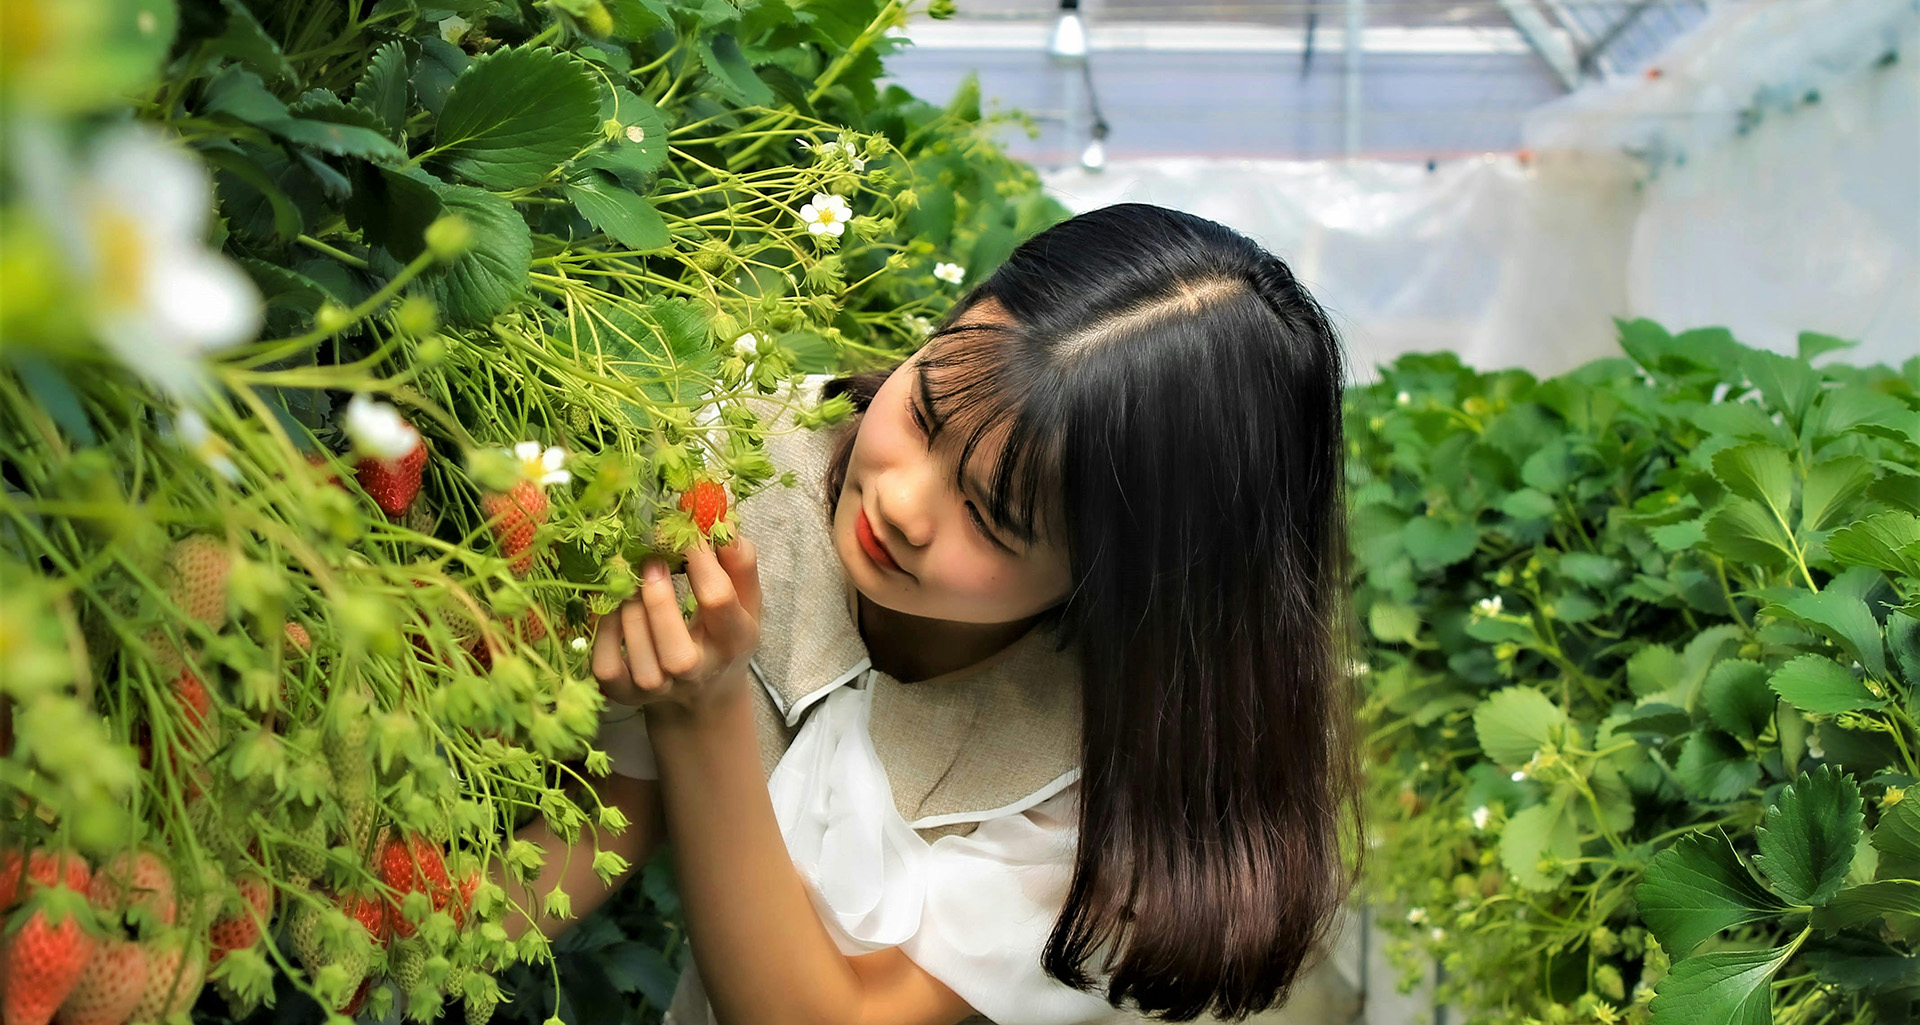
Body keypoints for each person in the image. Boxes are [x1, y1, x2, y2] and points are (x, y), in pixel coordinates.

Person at [559, 203, 1365, 1024]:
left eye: (992, 516)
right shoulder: (758, 455)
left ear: (1128, 588)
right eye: (924, 409)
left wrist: (704, 710)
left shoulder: (1108, 781)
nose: (903, 502)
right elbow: (625, 797)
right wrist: (441, 938)